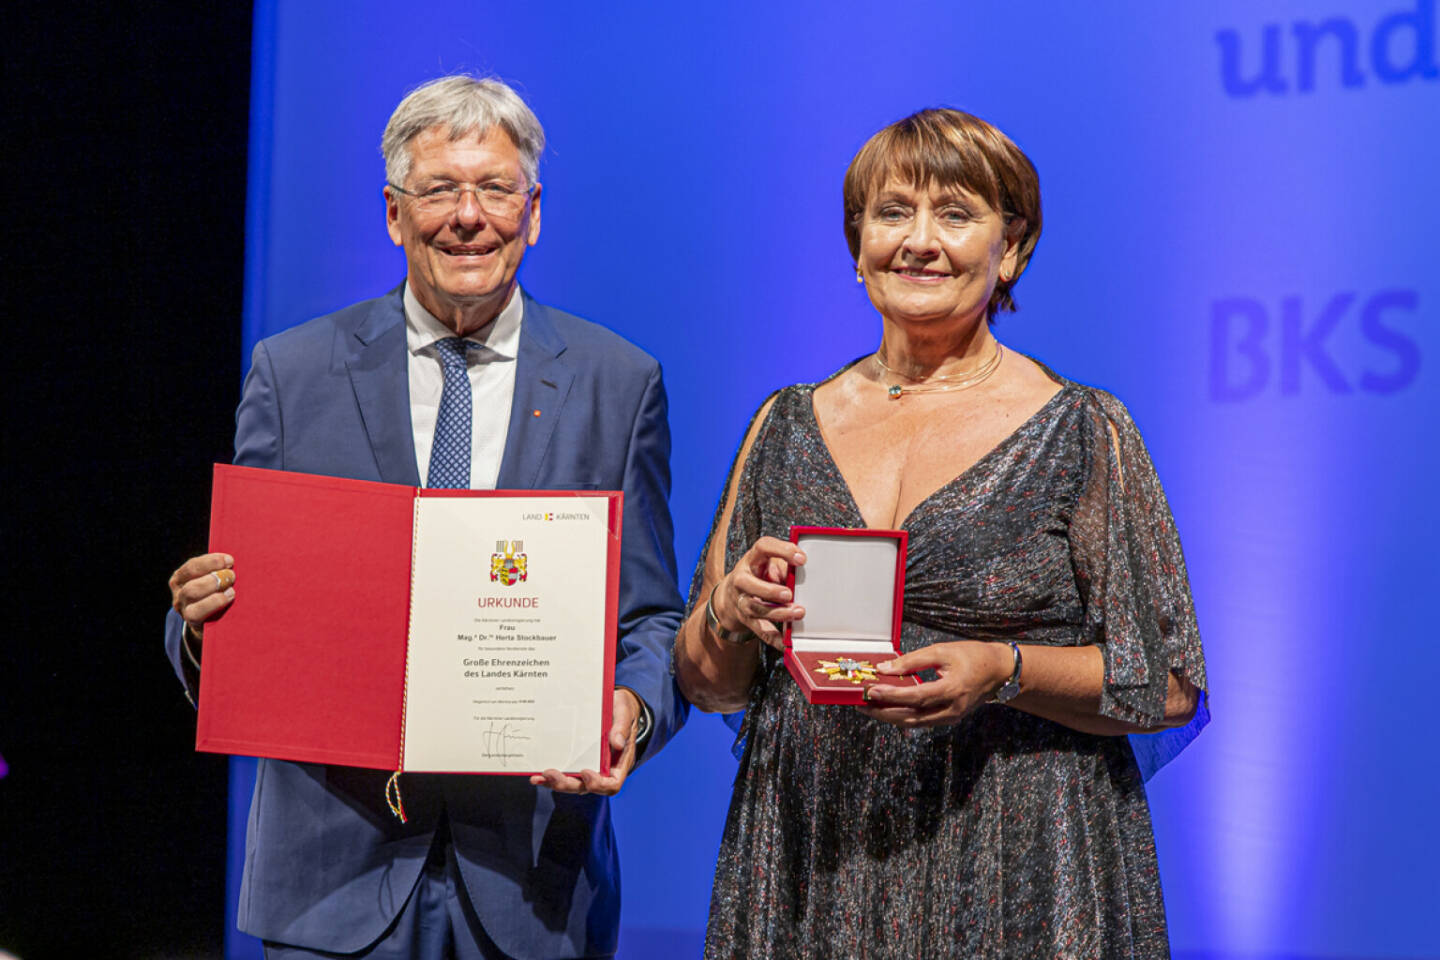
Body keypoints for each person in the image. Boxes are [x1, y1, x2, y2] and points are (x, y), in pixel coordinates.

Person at [165, 75, 686, 960]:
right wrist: (209, 626)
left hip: (534, 881)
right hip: (330, 875)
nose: (469, 216)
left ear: (535, 211)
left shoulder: (617, 380)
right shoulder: (291, 374)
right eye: (440, 189)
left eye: (496, 189)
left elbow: (650, 615)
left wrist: (629, 710)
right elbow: (235, 607)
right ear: (394, 213)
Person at [673, 108, 1208, 958]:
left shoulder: (1080, 430)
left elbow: (1169, 685)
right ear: (857, 245)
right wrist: (729, 616)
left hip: (1019, 860)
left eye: (955, 215)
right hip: (813, 855)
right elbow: (711, 685)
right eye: (891, 214)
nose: (919, 241)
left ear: (1013, 248)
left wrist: (1004, 668)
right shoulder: (782, 424)